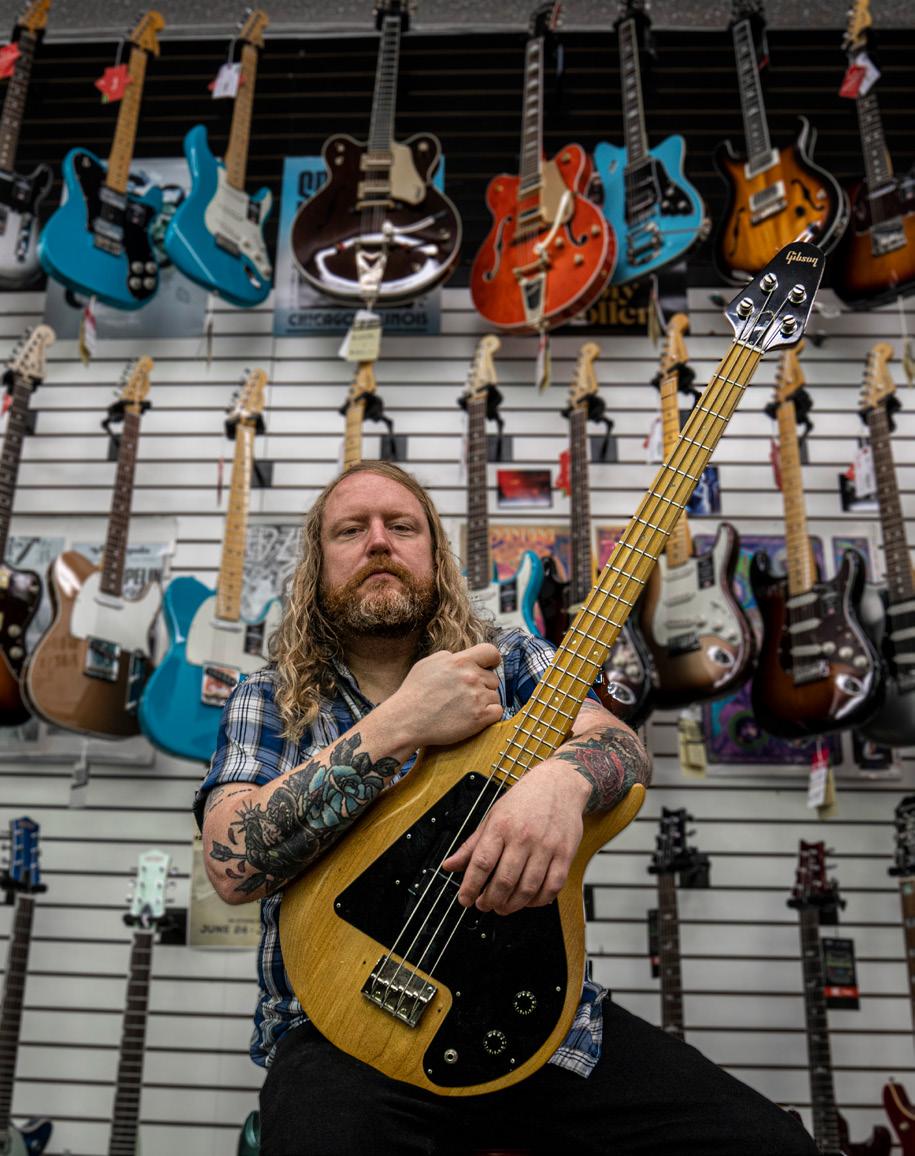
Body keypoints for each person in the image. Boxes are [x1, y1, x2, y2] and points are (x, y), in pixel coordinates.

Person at [194, 461, 817, 1156]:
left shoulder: (511, 660)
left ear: (436, 555)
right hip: (341, 1025)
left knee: (772, 1146)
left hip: (539, 1025)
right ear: (317, 566)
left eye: (402, 526)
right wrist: (402, 721)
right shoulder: (267, 696)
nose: (378, 542)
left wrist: (561, 783)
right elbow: (232, 865)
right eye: (350, 530)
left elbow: (619, 745)